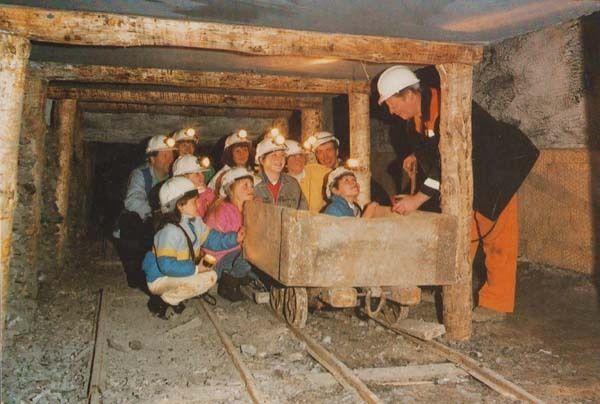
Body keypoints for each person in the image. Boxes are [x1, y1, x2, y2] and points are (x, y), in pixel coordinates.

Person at [377, 65, 539, 321]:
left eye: (391, 104)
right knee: (461, 234)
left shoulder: (450, 106)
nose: (391, 111)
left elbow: (449, 162)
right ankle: (447, 288)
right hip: (469, 173)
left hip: (498, 170)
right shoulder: (415, 120)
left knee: (496, 237)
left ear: (409, 95)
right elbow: (433, 149)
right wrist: (414, 155)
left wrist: (417, 199)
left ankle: (496, 303)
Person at [142, 177, 244, 318]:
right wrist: (196, 269)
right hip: (160, 278)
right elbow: (166, 265)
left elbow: (212, 239)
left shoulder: (195, 222)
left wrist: (235, 238)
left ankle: (172, 297)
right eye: (194, 201)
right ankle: (162, 301)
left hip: (177, 273)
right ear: (180, 205)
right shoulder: (169, 231)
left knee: (211, 276)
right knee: (206, 278)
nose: (198, 203)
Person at [115, 134, 176, 290]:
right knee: (130, 219)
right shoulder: (140, 174)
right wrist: (157, 215)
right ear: (152, 158)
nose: (170, 159)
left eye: (171, 154)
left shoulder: (175, 177)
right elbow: (132, 201)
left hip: (163, 224)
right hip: (143, 226)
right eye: (165, 155)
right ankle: (135, 269)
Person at [203, 167, 256, 301]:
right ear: (230, 189)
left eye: (251, 186)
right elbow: (207, 240)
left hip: (233, 258)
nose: (250, 189)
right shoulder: (222, 210)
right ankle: (228, 283)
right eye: (245, 185)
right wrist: (234, 239)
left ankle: (240, 278)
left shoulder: (248, 210)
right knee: (248, 255)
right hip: (215, 261)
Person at [254, 134, 308, 209]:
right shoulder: (252, 185)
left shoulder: (292, 184)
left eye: (282, 155)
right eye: (274, 155)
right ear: (261, 160)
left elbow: (304, 212)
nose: (279, 159)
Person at [285, 139, 331, 213]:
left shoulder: (316, 170)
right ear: (285, 162)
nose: (298, 159)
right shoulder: (282, 183)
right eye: (293, 156)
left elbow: (338, 176)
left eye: (301, 155)